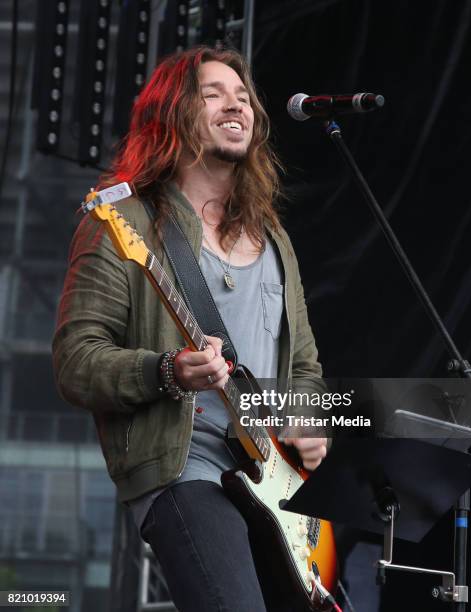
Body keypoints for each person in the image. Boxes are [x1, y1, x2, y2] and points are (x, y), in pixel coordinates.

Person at [53, 46, 330, 611]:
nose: (237, 104)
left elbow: (302, 365)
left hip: (273, 479)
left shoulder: (274, 239)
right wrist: (166, 369)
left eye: (243, 95)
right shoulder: (122, 225)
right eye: (212, 94)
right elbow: (76, 362)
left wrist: (304, 424)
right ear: (174, 113)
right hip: (184, 468)